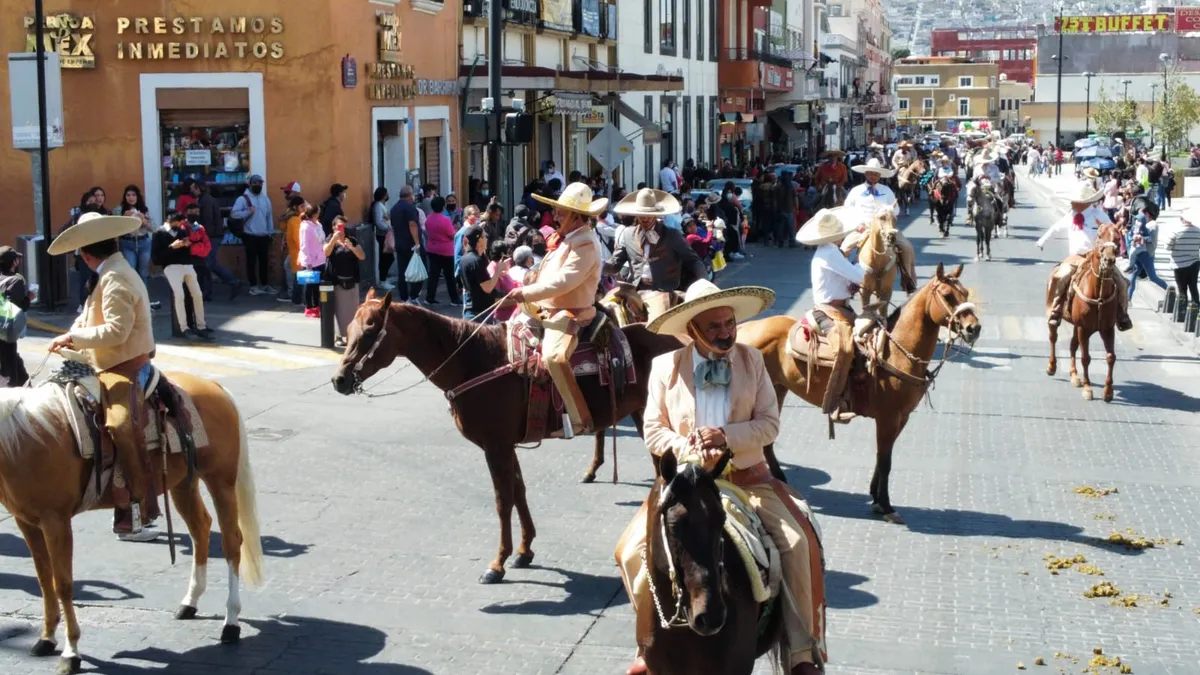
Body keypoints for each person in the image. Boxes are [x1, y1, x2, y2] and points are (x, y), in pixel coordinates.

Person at [616, 279, 827, 675]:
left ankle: (801, 653)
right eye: (714, 326)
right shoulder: (666, 367)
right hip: (684, 482)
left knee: (799, 544)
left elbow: (769, 425)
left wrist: (726, 437)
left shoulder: (753, 362)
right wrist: (690, 449)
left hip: (749, 479)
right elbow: (652, 430)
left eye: (729, 323)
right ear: (692, 328)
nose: (725, 332)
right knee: (628, 551)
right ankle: (647, 645)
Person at [47, 212, 162, 541]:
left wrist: (72, 339)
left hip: (124, 366)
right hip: (101, 362)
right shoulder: (108, 273)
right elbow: (89, 318)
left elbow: (117, 331)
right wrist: (74, 335)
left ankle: (136, 510)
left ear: (85, 254)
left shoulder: (115, 278)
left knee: (120, 426)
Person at [500, 182, 607, 438]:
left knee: (553, 358)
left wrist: (525, 293)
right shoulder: (568, 239)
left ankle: (581, 420)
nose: (556, 216)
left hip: (571, 312)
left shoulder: (585, 244)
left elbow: (564, 282)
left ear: (576, 215)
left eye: (561, 212)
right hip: (547, 308)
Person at [796, 207, 870, 423]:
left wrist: (849, 287)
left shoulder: (831, 251)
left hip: (841, 307)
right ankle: (834, 403)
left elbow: (843, 282)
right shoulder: (829, 252)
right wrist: (864, 253)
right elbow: (859, 275)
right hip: (828, 311)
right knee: (845, 349)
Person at [1038, 182, 1132, 332]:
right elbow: (1057, 227)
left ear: (1085, 203)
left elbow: (1113, 231)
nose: (1072, 203)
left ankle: (1122, 314)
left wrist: (1116, 248)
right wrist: (1043, 240)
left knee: (1122, 282)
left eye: (1075, 201)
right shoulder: (1071, 215)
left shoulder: (1099, 215)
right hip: (1076, 257)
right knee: (1059, 277)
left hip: (1097, 257)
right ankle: (1056, 308)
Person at [606, 188, 706, 322]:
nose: (645, 218)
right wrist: (596, 264)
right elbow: (615, 264)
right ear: (635, 214)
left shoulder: (672, 235)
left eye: (649, 214)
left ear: (655, 214)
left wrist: (704, 282)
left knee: (655, 324)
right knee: (607, 312)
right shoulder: (628, 234)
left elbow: (693, 260)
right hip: (633, 290)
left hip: (662, 290)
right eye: (641, 214)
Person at [841, 158, 917, 292]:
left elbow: (897, 209)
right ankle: (845, 281)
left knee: (907, 247)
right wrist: (858, 224)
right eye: (871, 173)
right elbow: (847, 210)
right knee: (844, 248)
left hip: (885, 228)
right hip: (862, 228)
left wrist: (889, 212)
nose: (873, 176)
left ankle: (908, 279)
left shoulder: (886, 190)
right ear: (866, 174)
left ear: (879, 176)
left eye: (876, 174)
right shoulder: (856, 191)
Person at [151, 212, 214, 342]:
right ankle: (184, 328)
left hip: (187, 265)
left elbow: (187, 250)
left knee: (197, 294)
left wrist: (186, 244)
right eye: (178, 223)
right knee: (179, 295)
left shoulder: (182, 231)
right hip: (171, 267)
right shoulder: (159, 233)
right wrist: (171, 247)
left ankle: (201, 326)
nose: (180, 226)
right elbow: (156, 258)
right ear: (171, 221)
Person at [324, 216, 366, 347]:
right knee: (339, 310)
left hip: (352, 280)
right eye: (339, 226)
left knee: (353, 309)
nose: (342, 229)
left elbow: (362, 256)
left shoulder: (351, 239)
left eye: (344, 226)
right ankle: (339, 335)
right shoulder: (329, 239)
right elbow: (326, 252)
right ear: (333, 227)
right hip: (337, 280)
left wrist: (352, 248)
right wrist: (334, 240)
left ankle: (350, 335)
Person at [230, 174, 276, 295]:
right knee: (251, 262)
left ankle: (265, 284)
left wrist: (270, 232)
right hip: (249, 235)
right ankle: (253, 285)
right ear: (250, 184)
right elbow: (234, 214)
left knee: (264, 261)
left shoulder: (266, 199)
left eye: (260, 183)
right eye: (255, 183)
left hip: (264, 235)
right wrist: (247, 212)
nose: (258, 185)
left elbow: (269, 217)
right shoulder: (243, 199)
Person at [457, 225, 511, 322]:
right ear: (479, 240)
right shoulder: (474, 260)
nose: (487, 238)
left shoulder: (476, 257)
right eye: (484, 236)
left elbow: (482, 280)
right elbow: (488, 288)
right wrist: (498, 270)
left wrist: (498, 274)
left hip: (478, 309)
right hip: (478, 313)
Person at [0, 246, 32, 387]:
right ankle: (9, 399)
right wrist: (29, 298)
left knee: (14, 361)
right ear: (13, 263)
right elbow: (19, 307)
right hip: (5, 331)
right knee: (8, 369)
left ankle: (25, 385)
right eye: (16, 259)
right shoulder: (15, 281)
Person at [388, 185, 425, 303]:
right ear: (410, 195)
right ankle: (413, 296)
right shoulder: (409, 208)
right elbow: (412, 225)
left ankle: (404, 297)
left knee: (402, 272)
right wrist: (417, 244)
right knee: (418, 270)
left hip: (400, 244)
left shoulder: (394, 208)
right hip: (411, 245)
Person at [424, 196, 459, 305]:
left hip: (432, 248)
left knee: (433, 275)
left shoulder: (428, 218)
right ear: (443, 206)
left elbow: (427, 231)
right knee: (449, 276)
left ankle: (429, 297)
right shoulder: (445, 220)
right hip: (446, 250)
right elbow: (452, 235)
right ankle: (454, 299)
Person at [1125, 212, 1168, 300]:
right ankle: (1128, 298)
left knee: (1152, 277)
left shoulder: (1150, 227)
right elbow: (1129, 235)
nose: (1137, 221)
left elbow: (1151, 239)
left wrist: (1141, 238)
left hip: (1146, 254)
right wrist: (1132, 239)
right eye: (1136, 219)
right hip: (1137, 253)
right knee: (1132, 276)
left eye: (1139, 219)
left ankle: (1168, 290)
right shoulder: (1135, 226)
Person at [1165, 206, 1200, 310]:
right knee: (1193, 286)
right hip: (1194, 262)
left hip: (1179, 263)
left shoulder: (1176, 232)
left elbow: (1168, 247)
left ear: (1182, 219)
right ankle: (1196, 307)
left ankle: (1182, 310)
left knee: (1182, 288)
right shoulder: (1198, 231)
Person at [297, 202, 327, 318]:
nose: (319, 214)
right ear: (314, 214)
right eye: (318, 212)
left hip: (320, 259)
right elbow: (304, 246)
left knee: (317, 286)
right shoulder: (305, 227)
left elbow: (322, 239)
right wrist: (308, 262)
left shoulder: (318, 225)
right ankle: (309, 307)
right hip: (310, 261)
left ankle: (316, 306)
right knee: (309, 286)